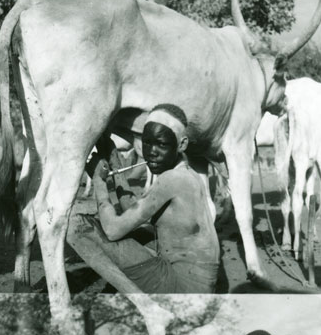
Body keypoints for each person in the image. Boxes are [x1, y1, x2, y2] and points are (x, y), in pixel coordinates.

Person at [84, 103, 220, 294]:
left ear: (182, 144)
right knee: (143, 231)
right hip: (200, 293)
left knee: (77, 225)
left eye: (162, 144)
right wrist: (115, 162)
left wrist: (98, 182)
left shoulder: (171, 180)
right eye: (147, 143)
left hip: (183, 295)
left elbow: (113, 230)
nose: (152, 151)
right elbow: (133, 211)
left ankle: (146, 306)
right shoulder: (189, 175)